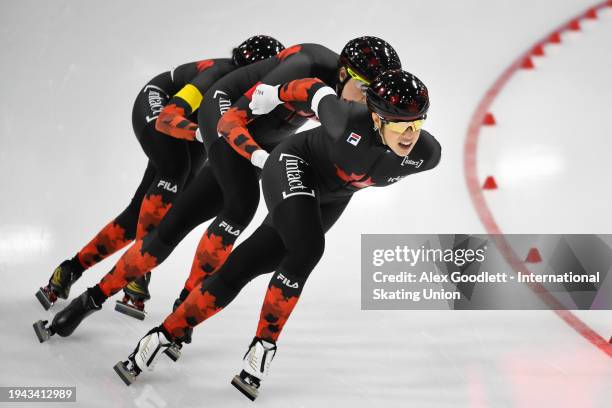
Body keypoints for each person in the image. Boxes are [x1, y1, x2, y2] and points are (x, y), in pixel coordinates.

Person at [33, 38, 402, 340]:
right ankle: (165, 297)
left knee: (176, 223)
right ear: (343, 73)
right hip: (224, 116)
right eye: (365, 90)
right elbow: (228, 120)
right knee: (239, 204)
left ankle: (94, 299)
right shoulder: (303, 64)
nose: (370, 104)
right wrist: (256, 157)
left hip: (259, 138)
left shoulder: (349, 98)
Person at [113, 69, 442, 401]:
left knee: (247, 265)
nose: (409, 134)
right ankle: (263, 347)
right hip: (292, 164)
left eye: (418, 123)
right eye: (400, 125)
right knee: (308, 248)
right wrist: (272, 94)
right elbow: (313, 88)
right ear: (375, 117)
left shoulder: (426, 154)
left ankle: (161, 335)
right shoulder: (346, 120)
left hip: (330, 198)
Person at [35, 36, 285, 318]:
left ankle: (69, 270)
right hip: (160, 104)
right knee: (175, 170)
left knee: (139, 213)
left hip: (193, 122)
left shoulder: (251, 86)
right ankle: (138, 275)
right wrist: (201, 133)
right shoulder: (217, 75)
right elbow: (167, 119)